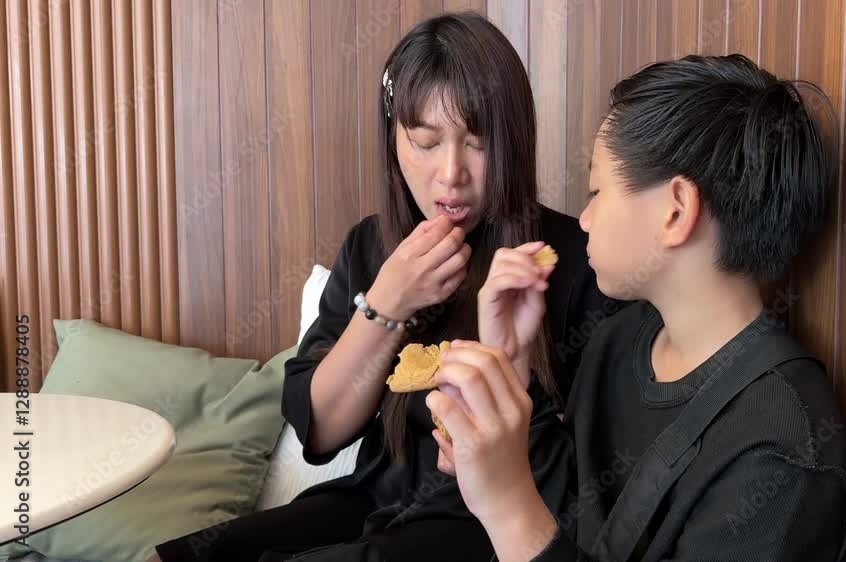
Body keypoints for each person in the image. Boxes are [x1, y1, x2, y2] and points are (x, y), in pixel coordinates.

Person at [151, 12, 618, 562]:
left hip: (480, 524)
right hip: (374, 497)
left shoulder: (575, 261)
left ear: (515, 141)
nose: (450, 173)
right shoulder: (372, 246)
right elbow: (319, 432)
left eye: (477, 141)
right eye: (424, 140)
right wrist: (384, 305)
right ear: (394, 139)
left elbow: (589, 482)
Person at [426, 54, 846, 561]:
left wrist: (505, 502)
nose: (584, 219)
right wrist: (512, 375)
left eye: (597, 190)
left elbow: (529, 521)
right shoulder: (618, 341)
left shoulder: (785, 457)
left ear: (676, 210)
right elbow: (575, 525)